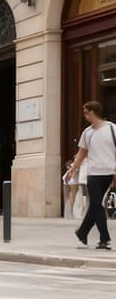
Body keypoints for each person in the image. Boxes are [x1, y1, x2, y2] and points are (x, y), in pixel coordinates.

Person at [65, 101, 116, 250]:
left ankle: (82, 232)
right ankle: (103, 239)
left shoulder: (112, 128)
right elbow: (81, 154)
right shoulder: (87, 132)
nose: (84, 115)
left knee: (96, 205)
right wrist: (72, 170)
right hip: (93, 173)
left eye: (86, 112)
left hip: (109, 172)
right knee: (96, 204)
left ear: (93, 112)